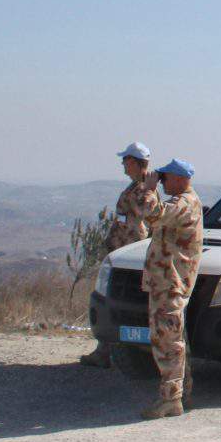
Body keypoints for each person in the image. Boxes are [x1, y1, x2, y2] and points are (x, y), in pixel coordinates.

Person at [135, 157, 204, 420]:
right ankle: (181, 392)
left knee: (168, 342)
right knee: (173, 338)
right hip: (167, 281)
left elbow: (152, 213)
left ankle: (171, 399)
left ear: (179, 178)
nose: (161, 182)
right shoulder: (184, 203)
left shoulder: (185, 203)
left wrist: (148, 189)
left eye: (165, 178)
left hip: (171, 283)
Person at [80, 141, 154, 368]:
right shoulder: (136, 187)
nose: (123, 164)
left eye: (126, 160)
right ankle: (105, 350)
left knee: (118, 300)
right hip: (122, 249)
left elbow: (143, 218)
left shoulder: (143, 189)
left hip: (130, 252)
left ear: (134, 161)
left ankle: (109, 351)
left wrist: (121, 225)